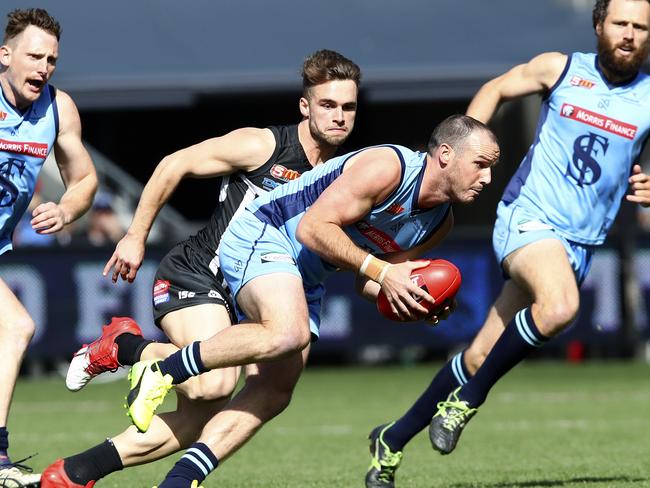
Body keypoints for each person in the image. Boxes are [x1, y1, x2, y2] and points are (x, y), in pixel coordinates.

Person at [40, 49, 361, 488]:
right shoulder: (264, 145)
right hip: (198, 275)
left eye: (348, 107)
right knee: (212, 386)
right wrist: (135, 236)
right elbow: (175, 164)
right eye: (328, 105)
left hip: (253, 300)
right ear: (305, 106)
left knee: (214, 411)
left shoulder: (347, 175)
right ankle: (127, 348)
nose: (339, 116)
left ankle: (74, 473)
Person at [123, 114, 499, 487]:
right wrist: (385, 274)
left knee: (275, 389)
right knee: (288, 333)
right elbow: (312, 228)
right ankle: (161, 370)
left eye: (491, 169)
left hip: (307, 272)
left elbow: (368, 283)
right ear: (446, 155)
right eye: (480, 165)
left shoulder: (439, 222)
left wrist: (412, 297)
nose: (487, 179)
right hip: (267, 231)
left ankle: (179, 480)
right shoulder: (388, 167)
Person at [363, 1, 650, 486]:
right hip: (529, 220)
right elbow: (496, 88)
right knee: (559, 308)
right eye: (620, 23)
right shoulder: (559, 69)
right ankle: (468, 401)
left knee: (478, 357)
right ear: (599, 25)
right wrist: (463, 154)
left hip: (579, 245)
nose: (629, 34)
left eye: (641, 27)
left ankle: (391, 440)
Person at [0, 8, 98, 487]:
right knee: (15, 327)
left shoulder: (58, 109)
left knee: (14, 329)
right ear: (5, 54)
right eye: (34, 56)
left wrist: (65, 210)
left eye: (52, 59)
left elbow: (84, 179)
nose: (43, 67)